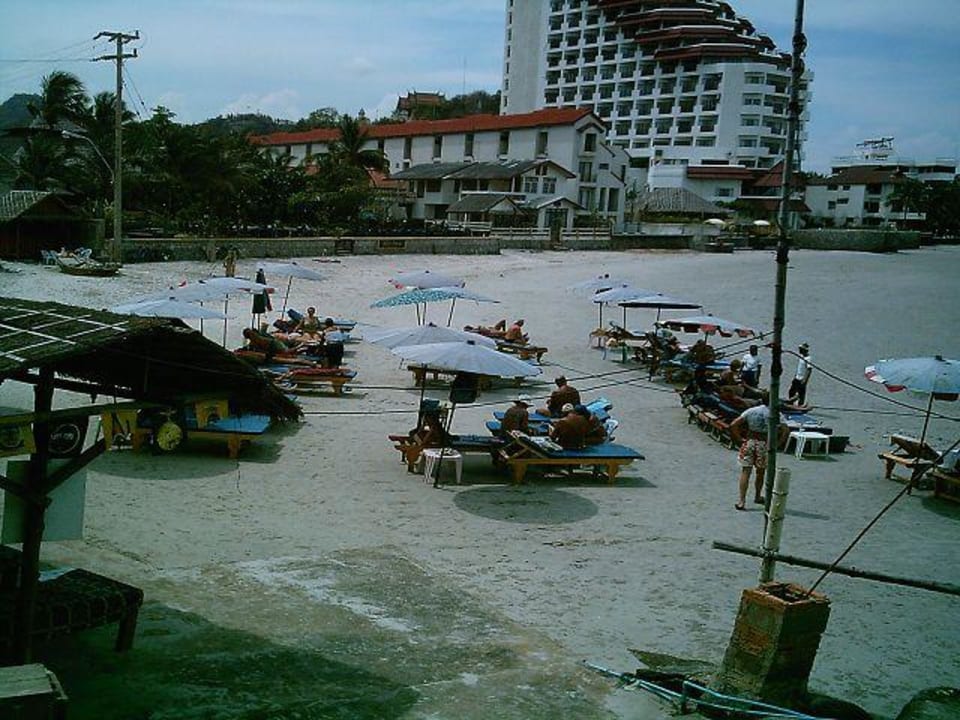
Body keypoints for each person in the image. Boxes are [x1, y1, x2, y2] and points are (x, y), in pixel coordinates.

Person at [729, 399, 788, 511]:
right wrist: (778, 444)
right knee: (760, 472)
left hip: (750, 441)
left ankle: (741, 501)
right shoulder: (775, 414)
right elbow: (786, 430)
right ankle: (757, 496)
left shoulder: (751, 411)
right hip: (764, 443)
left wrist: (739, 439)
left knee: (745, 471)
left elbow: (733, 424)